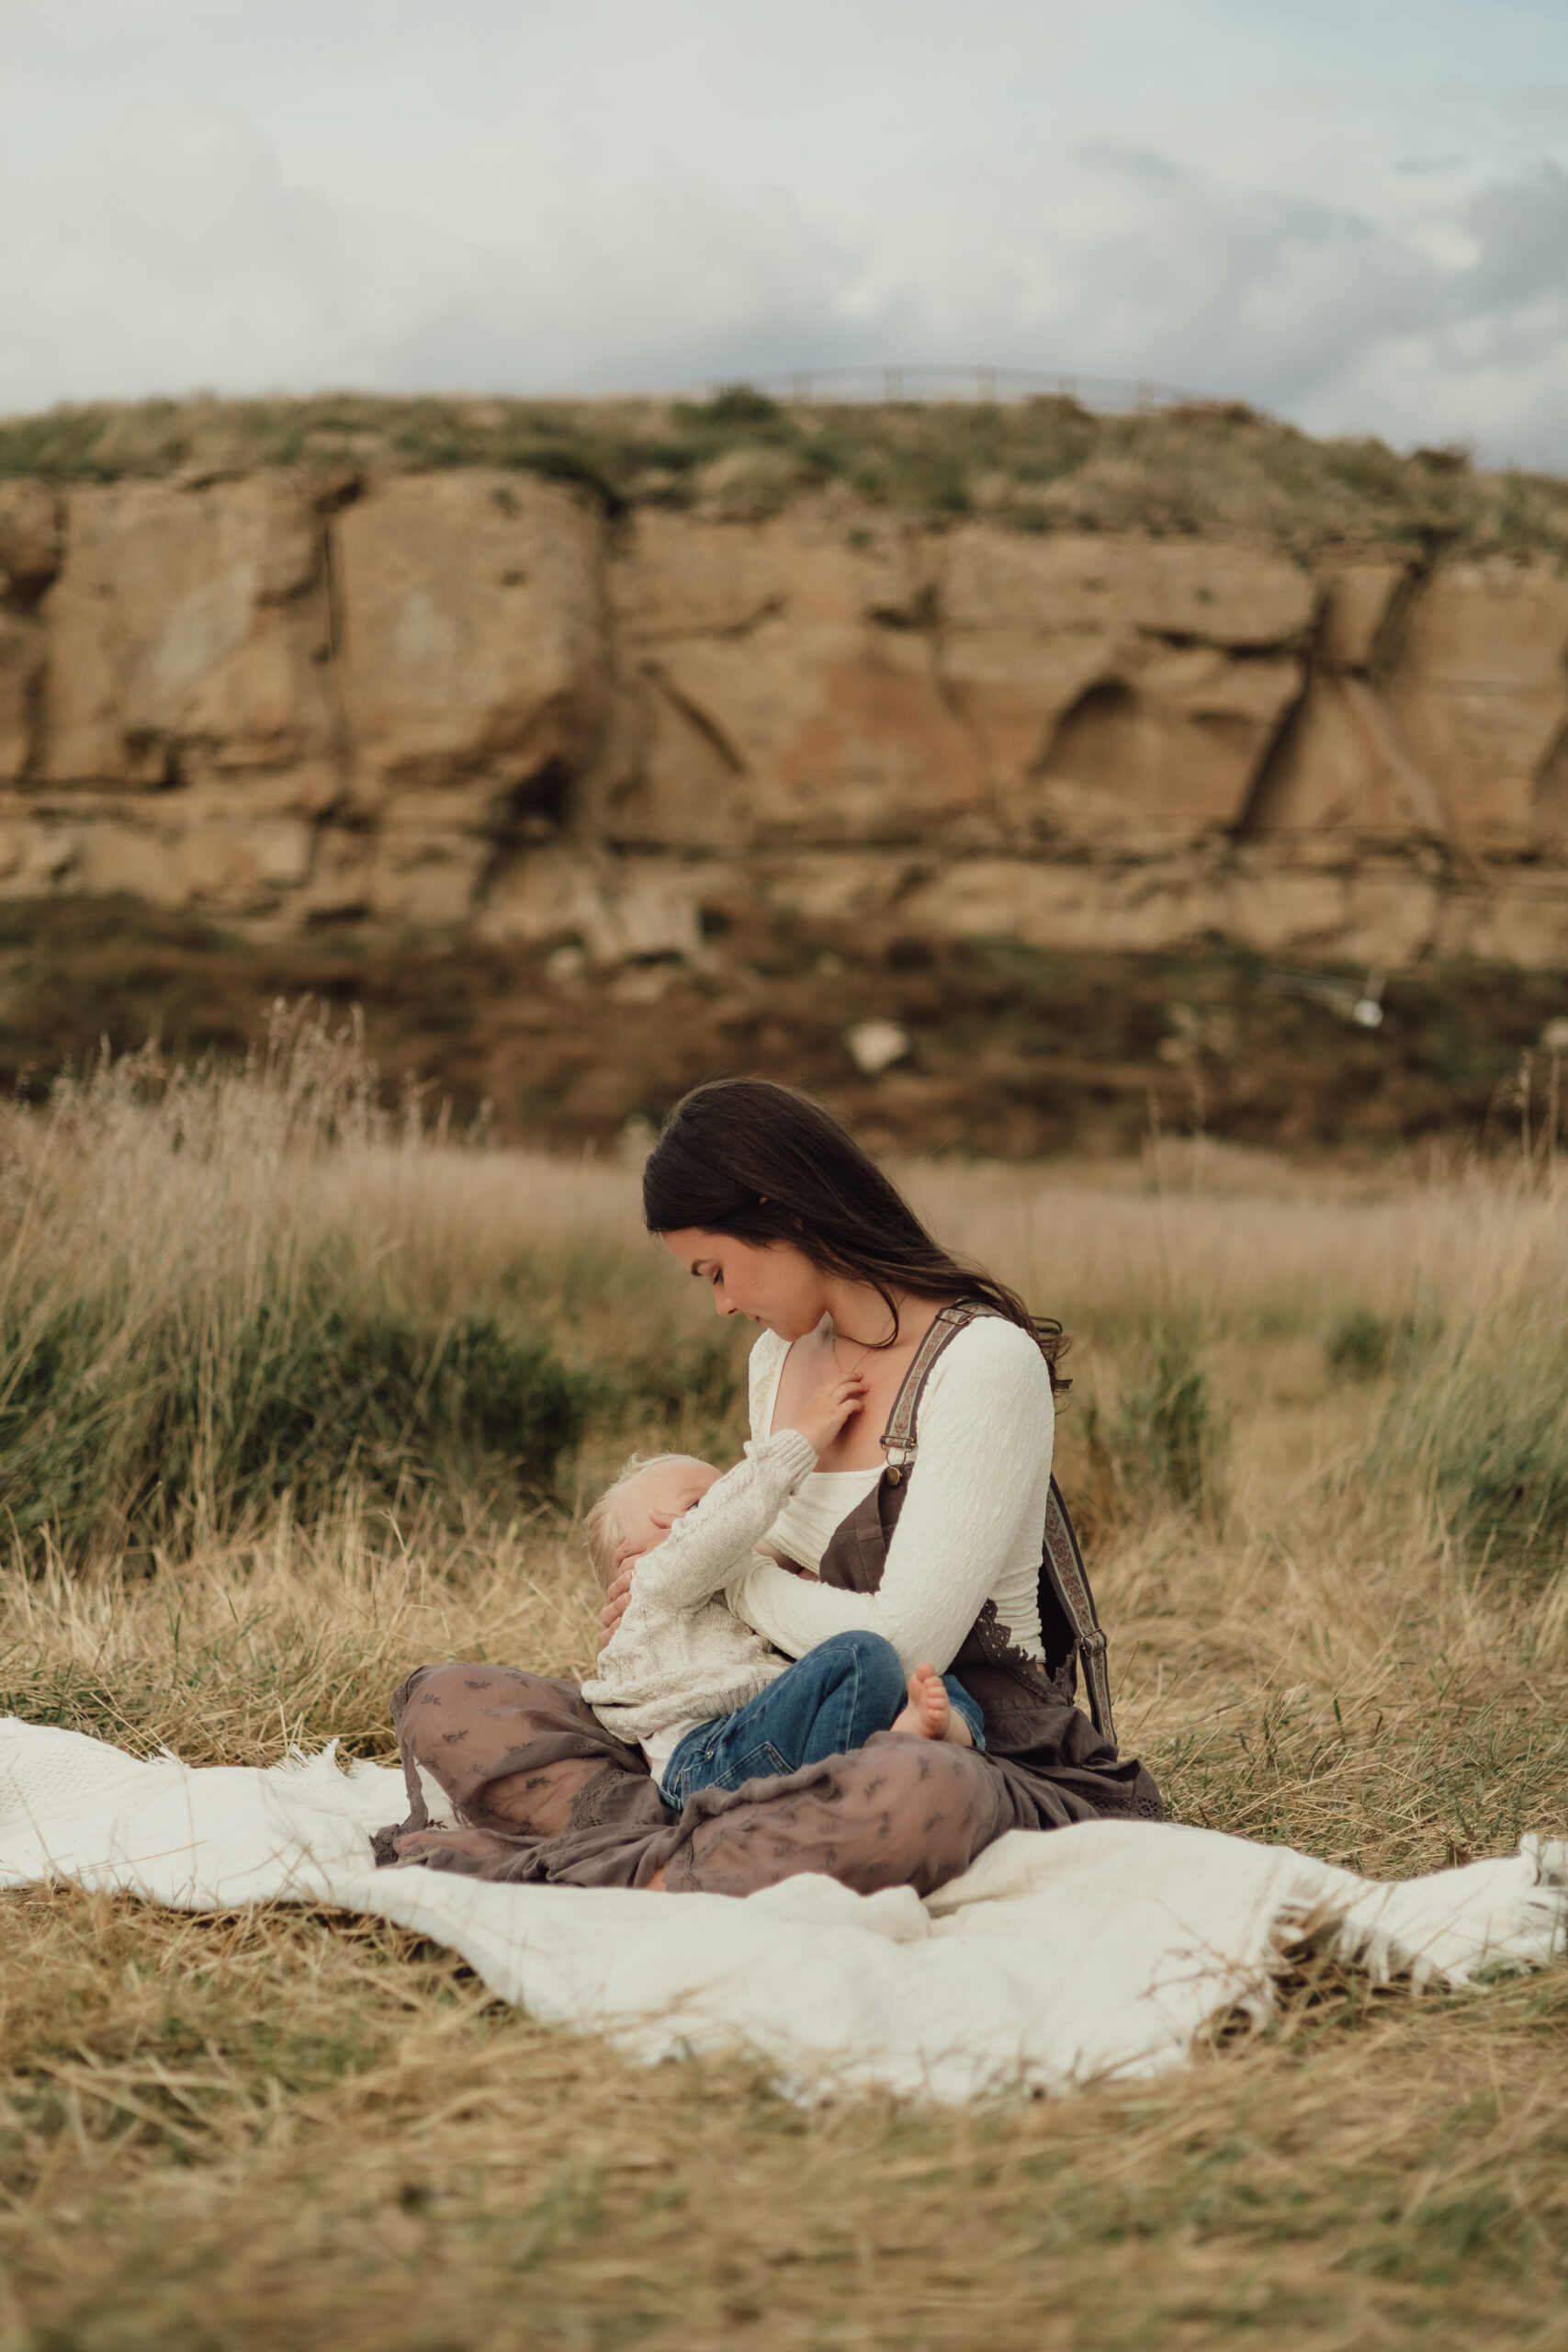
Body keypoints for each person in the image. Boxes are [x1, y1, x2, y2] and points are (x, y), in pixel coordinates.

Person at [378, 1079, 1159, 1896]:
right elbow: (758, 1557)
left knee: (922, 1793)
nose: (721, 1305)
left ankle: (652, 1859)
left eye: (717, 1271)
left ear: (782, 1214)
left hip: (957, 1735)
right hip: (765, 1719)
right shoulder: (777, 1360)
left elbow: (903, 1642)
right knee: (449, 1699)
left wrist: (716, 1575)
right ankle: (725, 1843)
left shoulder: (982, 1362)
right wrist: (668, 1596)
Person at [580, 1403, 983, 1812]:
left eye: (726, 1494)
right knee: (862, 1654)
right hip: (707, 1757)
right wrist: (800, 1442)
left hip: (762, 1733)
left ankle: (935, 1731)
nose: (725, 1509)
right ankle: (839, 1801)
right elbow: (716, 1535)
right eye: (701, 1508)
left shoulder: (737, 1587)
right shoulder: (653, 1580)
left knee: (924, 1669)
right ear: (631, 1558)